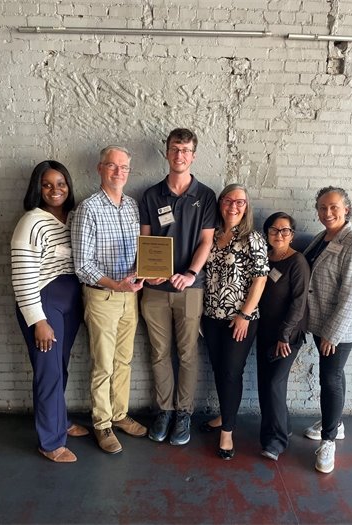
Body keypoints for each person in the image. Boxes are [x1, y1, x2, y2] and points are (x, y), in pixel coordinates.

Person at [140, 128, 217, 446]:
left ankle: (183, 413)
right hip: (155, 290)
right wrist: (147, 272)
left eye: (186, 150)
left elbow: (206, 241)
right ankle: (165, 411)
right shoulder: (150, 195)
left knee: (186, 353)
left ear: (193, 155)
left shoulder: (206, 196)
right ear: (167, 152)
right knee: (159, 353)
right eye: (175, 149)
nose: (180, 155)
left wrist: (189, 273)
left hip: (190, 288)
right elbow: (145, 240)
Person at [71, 145, 147, 455]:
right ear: (100, 168)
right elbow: (82, 264)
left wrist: (147, 273)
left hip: (131, 297)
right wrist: (115, 284)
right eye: (113, 166)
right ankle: (101, 423)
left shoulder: (132, 206)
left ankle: (119, 415)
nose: (119, 172)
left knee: (123, 361)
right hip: (103, 297)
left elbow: (140, 251)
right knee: (102, 364)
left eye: (124, 167)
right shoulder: (87, 208)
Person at [11, 160, 88, 463]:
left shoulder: (74, 218)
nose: (55, 190)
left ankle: (61, 420)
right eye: (47, 184)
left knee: (60, 367)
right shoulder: (31, 222)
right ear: (37, 188)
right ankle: (51, 441)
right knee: (49, 371)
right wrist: (38, 320)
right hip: (44, 305)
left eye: (61, 184)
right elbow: (22, 277)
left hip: (71, 302)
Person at [303, 186, 352, 474]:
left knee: (329, 378)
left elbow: (351, 294)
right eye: (321, 207)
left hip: (338, 327)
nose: (327, 212)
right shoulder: (323, 238)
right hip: (320, 321)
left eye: (333, 207)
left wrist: (333, 333)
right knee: (334, 375)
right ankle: (336, 423)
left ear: (346, 208)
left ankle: (329, 439)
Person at [200, 184, 269, 459]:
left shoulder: (252, 237)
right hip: (211, 317)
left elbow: (260, 279)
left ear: (246, 206)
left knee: (231, 372)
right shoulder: (213, 235)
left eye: (240, 201)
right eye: (228, 200)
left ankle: (227, 431)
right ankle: (223, 414)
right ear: (221, 203)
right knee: (219, 370)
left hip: (239, 319)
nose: (234, 206)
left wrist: (244, 315)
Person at [256, 212, 310, 461]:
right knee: (266, 384)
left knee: (274, 384)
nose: (279, 235)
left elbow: (299, 303)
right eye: (274, 230)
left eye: (285, 230)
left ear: (292, 235)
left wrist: (285, 335)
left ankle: (275, 441)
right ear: (266, 233)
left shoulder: (296, 262)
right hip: (263, 331)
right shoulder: (265, 258)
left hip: (286, 336)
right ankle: (283, 425)